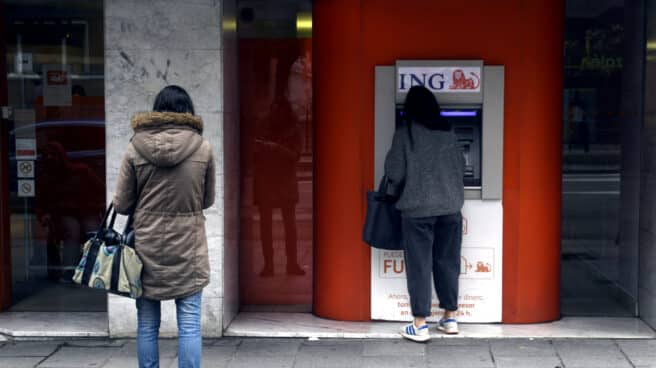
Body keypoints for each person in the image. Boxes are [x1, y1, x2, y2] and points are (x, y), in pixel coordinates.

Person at [113, 85, 215, 367]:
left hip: (145, 250)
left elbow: (121, 205)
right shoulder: (202, 148)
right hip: (189, 249)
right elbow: (207, 199)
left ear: (157, 111)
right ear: (188, 111)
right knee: (190, 324)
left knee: (147, 325)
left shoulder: (136, 146)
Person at [384, 85, 465, 342]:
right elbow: (461, 166)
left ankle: (419, 324)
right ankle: (449, 317)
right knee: (447, 263)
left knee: (420, 266)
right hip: (450, 208)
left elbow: (394, 172)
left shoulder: (405, 133)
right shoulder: (449, 132)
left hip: (417, 211)